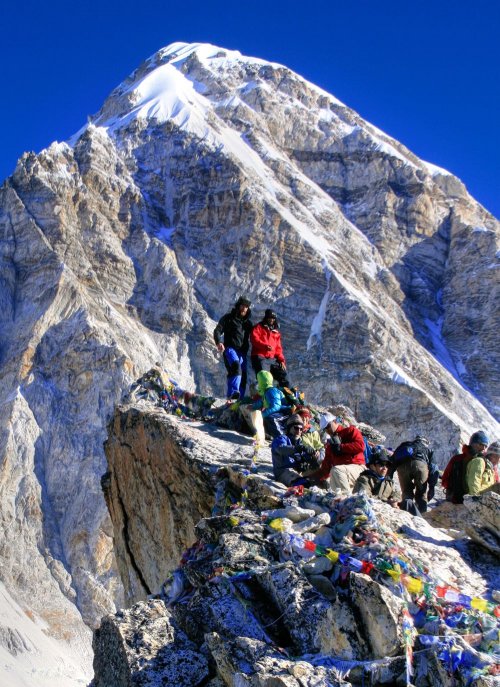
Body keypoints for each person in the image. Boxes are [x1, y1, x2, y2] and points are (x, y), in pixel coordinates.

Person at [306, 413, 366, 494]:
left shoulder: (350, 431)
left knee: (336, 470)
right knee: (333, 479)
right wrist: (309, 478)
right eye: (325, 429)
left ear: (334, 421)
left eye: (328, 426)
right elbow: (325, 469)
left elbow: (361, 446)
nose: (327, 430)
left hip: (357, 468)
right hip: (342, 474)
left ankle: (346, 498)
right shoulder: (330, 446)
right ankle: (338, 499)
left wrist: (341, 447)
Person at [213, 297, 253, 400]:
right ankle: (233, 393)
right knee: (236, 366)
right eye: (243, 305)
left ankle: (239, 399)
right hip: (230, 349)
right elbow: (218, 330)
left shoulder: (248, 324)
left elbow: (256, 335)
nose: (244, 308)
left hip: (242, 353)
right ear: (238, 306)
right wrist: (219, 342)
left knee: (243, 375)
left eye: (246, 307)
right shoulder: (228, 318)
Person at [441, 431, 489, 504]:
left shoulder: (458, 459)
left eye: (485, 446)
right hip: (456, 499)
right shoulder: (457, 459)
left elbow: (445, 480)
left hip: (458, 499)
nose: (483, 448)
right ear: (473, 443)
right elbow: (445, 478)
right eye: (480, 444)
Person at [271, 414, 320, 486]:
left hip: (298, 471)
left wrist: (312, 459)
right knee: (302, 483)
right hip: (283, 472)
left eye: (301, 429)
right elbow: (281, 449)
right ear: (289, 428)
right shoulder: (281, 439)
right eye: (296, 428)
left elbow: (304, 457)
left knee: (320, 475)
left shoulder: (299, 442)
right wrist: (298, 448)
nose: (299, 431)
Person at [392, 435, 434, 513]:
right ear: (425, 442)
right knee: (421, 493)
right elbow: (433, 468)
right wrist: (432, 487)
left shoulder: (405, 446)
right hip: (420, 465)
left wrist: (389, 475)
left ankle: (407, 512)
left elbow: (393, 459)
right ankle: (421, 514)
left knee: (406, 492)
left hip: (402, 466)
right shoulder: (427, 449)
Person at [250, 309, 290, 387]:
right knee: (265, 376)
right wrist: (264, 346)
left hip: (272, 358)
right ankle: (264, 391)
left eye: (273, 318)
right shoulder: (258, 327)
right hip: (260, 356)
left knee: (283, 374)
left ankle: (288, 391)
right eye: (270, 317)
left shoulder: (276, 333)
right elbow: (254, 339)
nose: (271, 320)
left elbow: (278, 348)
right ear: (266, 317)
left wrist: (281, 360)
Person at [252, 370, 290, 439]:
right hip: (279, 412)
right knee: (267, 418)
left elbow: (276, 406)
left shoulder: (272, 391)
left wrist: (262, 415)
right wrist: (252, 406)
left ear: (262, 382)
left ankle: (281, 438)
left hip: (285, 412)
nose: (258, 384)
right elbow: (262, 402)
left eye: (259, 381)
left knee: (271, 418)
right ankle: (271, 435)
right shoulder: (266, 392)